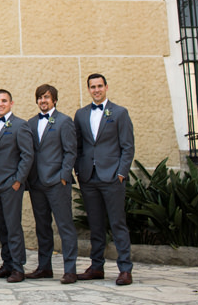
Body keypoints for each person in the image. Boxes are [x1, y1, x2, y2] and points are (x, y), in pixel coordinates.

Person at [74, 74, 135, 286]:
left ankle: (125, 269)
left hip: (112, 177)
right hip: (89, 178)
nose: (96, 90)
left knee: (118, 224)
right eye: (93, 87)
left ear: (106, 87)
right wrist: (79, 172)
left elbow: (127, 146)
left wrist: (121, 173)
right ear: (88, 89)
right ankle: (96, 267)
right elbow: (78, 146)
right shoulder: (81, 115)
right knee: (96, 225)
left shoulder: (119, 113)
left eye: (100, 86)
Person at [27, 84, 79, 284]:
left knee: (65, 226)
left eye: (47, 97)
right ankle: (44, 267)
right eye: (40, 97)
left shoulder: (64, 121)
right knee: (42, 227)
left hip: (57, 182)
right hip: (37, 184)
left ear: (54, 100)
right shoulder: (31, 123)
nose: (43, 101)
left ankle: (70, 269)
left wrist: (64, 176)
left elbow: (70, 152)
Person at [0, 89, 34, 283]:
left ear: (11, 103)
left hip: (11, 185)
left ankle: (18, 267)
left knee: (13, 227)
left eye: (4, 101)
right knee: (2, 227)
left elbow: (27, 155)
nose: (0, 104)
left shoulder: (20, 125)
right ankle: (6, 264)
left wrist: (18, 181)